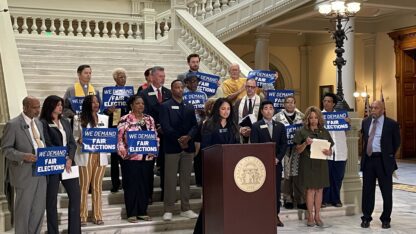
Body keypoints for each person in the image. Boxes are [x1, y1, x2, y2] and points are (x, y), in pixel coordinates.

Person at [1, 96, 46, 234]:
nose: (38, 110)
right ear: (25, 107)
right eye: (34, 108)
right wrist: (23, 156)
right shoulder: (13, 124)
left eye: (39, 107)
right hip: (24, 174)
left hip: (41, 173)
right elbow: (5, 149)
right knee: (23, 211)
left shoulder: (39, 124)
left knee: (38, 210)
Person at [193, 98, 239, 234]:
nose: (226, 111)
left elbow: (236, 147)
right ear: (217, 109)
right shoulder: (208, 124)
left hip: (230, 169)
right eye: (223, 108)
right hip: (213, 169)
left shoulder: (233, 126)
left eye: (228, 109)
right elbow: (206, 148)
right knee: (211, 203)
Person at [40, 95, 81, 234]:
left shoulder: (64, 121)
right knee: (51, 200)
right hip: (53, 164)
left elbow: (71, 143)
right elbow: (47, 143)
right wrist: (63, 159)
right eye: (58, 104)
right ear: (50, 106)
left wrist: (69, 158)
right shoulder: (43, 122)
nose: (60, 107)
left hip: (69, 164)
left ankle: (74, 231)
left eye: (61, 104)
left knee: (75, 196)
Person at [160, 79, 199, 221]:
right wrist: (179, 139)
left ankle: (186, 208)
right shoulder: (165, 106)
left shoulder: (189, 106)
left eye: (182, 87)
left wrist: (188, 137)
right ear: (172, 89)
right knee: (170, 179)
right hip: (172, 147)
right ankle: (168, 209)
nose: (180, 90)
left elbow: (195, 126)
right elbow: (165, 126)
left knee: (186, 179)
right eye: (177, 87)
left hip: (188, 148)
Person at [117, 95, 157, 223]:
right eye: (138, 103)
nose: (141, 105)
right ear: (131, 105)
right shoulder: (125, 119)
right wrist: (125, 154)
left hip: (147, 158)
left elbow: (155, 136)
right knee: (131, 185)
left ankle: (142, 211)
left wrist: (154, 150)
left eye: (142, 103)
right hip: (130, 159)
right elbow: (119, 140)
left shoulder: (149, 119)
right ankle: (132, 213)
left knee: (144, 185)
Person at [360, 100, 400, 229]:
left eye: (376, 108)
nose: (372, 110)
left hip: (383, 161)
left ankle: (386, 219)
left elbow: (396, 143)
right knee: (367, 191)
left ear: (382, 109)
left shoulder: (391, 124)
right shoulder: (365, 122)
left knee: (386, 192)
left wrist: (388, 155)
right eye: (371, 108)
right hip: (369, 161)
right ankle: (366, 218)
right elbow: (365, 140)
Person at [293, 106, 333, 227]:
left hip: (321, 164)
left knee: (320, 190)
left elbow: (330, 150)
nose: (314, 120)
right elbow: (297, 150)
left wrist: (329, 152)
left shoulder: (324, 131)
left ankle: (317, 216)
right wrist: (305, 143)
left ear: (319, 118)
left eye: (316, 117)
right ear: (307, 119)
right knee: (310, 190)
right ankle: (310, 215)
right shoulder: (302, 131)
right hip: (308, 163)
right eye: (311, 118)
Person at [250, 100, 287, 227]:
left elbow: (284, 145)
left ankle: (275, 215)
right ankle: (261, 215)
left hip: (276, 164)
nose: (269, 110)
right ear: (261, 111)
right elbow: (254, 146)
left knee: (275, 191)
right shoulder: (255, 126)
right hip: (261, 165)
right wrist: (264, 160)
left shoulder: (280, 126)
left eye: (271, 108)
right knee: (262, 191)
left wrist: (277, 158)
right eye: (266, 108)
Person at [73, 95, 109, 226]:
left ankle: (97, 215)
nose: (96, 104)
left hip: (100, 156)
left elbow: (107, 136)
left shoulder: (105, 118)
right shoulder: (78, 118)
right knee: (84, 187)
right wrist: (79, 140)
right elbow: (75, 136)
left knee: (97, 187)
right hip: (85, 156)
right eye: (93, 102)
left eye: (97, 101)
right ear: (88, 104)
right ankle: (82, 216)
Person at [139, 66, 172, 201]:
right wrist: (153, 128)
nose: (162, 78)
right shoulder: (143, 94)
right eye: (160, 76)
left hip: (166, 135)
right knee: (148, 166)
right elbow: (142, 114)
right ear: (152, 77)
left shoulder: (169, 93)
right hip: (150, 135)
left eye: (164, 76)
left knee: (166, 166)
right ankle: (148, 195)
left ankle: (166, 194)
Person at [273, 96, 305, 210]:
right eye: (288, 102)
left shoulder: (302, 116)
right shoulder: (277, 117)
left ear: (295, 104)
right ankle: (287, 198)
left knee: (298, 174)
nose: (290, 104)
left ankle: (300, 198)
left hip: (298, 149)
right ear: (284, 104)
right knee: (286, 175)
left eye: (292, 102)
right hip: (285, 150)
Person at [103, 68, 130, 193]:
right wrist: (108, 111)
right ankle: (115, 184)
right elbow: (103, 110)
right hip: (114, 128)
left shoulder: (129, 93)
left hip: (126, 127)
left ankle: (126, 182)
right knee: (114, 158)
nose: (123, 79)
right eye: (120, 77)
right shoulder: (109, 93)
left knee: (126, 157)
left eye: (124, 77)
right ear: (115, 79)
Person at [321, 93, 349, 208]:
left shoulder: (341, 116)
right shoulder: (319, 116)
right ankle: (324, 199)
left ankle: (336, 199)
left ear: (333, 104)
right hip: (325, 152)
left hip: (340, 151)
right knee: (325, 177)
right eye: (325, 101)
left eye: (329, 101)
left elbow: (346, 131)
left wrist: (347, 123)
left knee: (338, 177)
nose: (326, 103)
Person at [234, 78, 262, 143]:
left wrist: (253, 130)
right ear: (245, 87)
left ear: (256, 88)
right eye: (248, 86)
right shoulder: (238, 102)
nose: (250, 89)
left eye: (252, 87)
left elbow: (264, 121)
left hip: (257, 137)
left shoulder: (262, 102)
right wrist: (240, 129)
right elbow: (234, 119)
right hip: (241, 135)